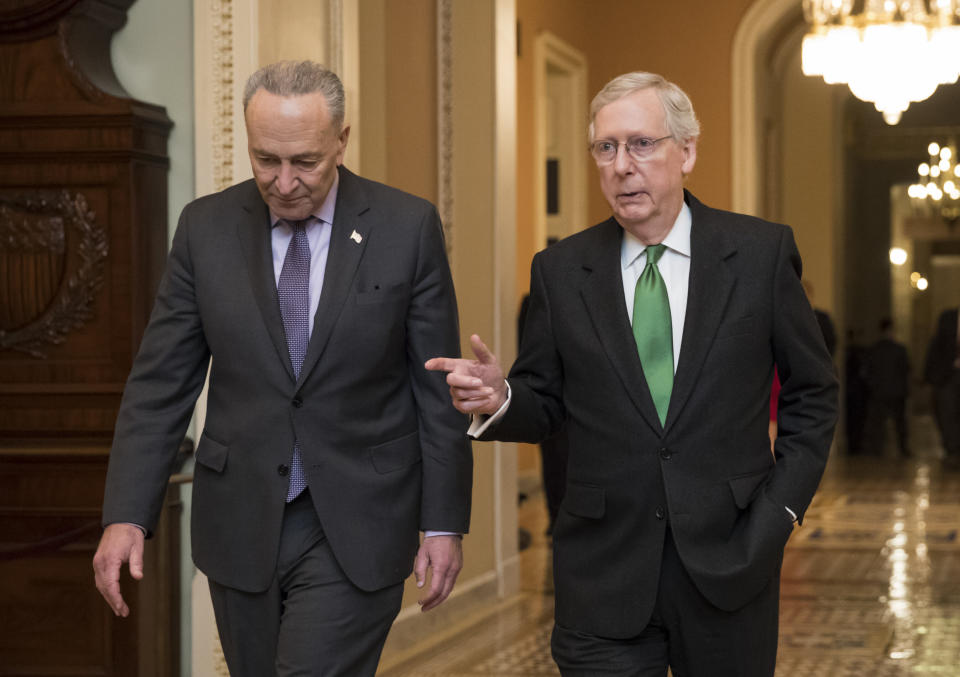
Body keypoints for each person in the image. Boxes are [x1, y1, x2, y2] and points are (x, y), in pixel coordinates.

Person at [426, 71, 838, 676]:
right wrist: (501, 396)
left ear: (687, 150)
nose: (622, 165)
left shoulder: (759, 254)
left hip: (732, 558)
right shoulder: (561, 271)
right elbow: (547, 401)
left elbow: (814, 393)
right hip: (602, 569)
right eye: (606, 147)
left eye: (641, 144)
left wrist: (780, 513)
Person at [92, 61, 472, 677]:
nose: (285, 181)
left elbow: (436, 390)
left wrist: (444, 522)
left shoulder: (406, 227)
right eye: (266, 160)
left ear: (342, 141)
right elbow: (162, 384)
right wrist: (126, 515)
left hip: (359, 518)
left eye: (306, 162)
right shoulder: (204, 229)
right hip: (241, 517)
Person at [863, 318, 910, 457]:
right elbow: (906, 370)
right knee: (899, 423)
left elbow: (866, 372)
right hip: (895, 392)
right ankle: (902, 449)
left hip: (880, 391)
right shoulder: (900, 349)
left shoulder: (873, 349)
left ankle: (877, 450)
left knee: (879, 423)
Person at [924, 306, 960, 467]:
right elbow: (936, 346)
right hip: (948, 374)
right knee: (946, 413)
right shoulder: (947, 317)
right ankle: (952, 451)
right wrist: (929, 376)